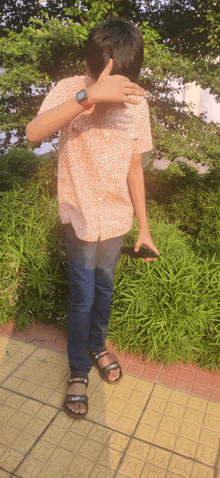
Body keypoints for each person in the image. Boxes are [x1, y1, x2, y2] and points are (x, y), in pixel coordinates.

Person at [26, 17, 159, 419]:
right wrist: (90, 95)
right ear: (93, 63)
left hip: (116, 221)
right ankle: (78, 370)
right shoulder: (70, 89)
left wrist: (145, 227)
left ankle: (97, 346)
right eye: (109, 74)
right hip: (81, 218)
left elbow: (134, 169)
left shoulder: (138, 100)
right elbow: (34, 133)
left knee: (104, 290)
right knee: (81, 297)